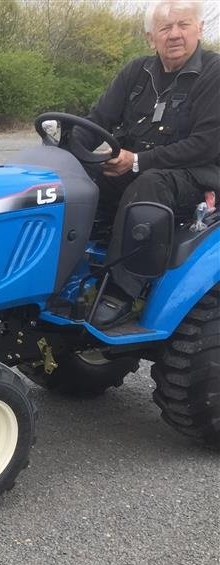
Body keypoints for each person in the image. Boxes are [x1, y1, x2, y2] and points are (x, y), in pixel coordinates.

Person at [82, 0, 219, 328]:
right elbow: (98, 120)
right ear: (150, 37)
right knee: (78, 179)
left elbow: (206, 144)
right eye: (165, 28)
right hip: (139, 168)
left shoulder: (214, 74)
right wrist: (68, 150)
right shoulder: (136, 72)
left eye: (183, 25)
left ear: (199, 29)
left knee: (150, 182)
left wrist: (138, 161)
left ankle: (122, 289)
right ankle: (66, 271)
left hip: (197, 175)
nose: (174, 35)